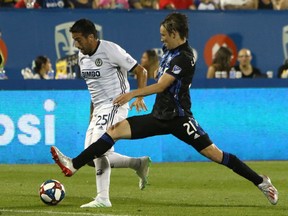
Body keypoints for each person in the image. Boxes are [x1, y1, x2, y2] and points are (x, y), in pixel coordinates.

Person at [51, 12, 278, 206]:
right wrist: (140, 91)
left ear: (175, 33)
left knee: (215, 154)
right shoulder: (168, 51)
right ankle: (74, 164)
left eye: (163, 35)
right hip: (159, 116)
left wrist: (133, 94)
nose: (161, 39)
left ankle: (261, 181)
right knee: (114, 131)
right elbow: (151, 74)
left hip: (179, 119)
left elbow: (161, 85)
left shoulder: (185, 58)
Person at [52, 19, 151, 208]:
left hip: (116, 103)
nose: (76, 45)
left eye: (79, 40)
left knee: (96, 150)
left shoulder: (111, 50)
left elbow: (142, 71)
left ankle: (102, 198)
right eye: (74, 40)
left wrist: (139, 97)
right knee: (93, 156)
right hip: (99, 108)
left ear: (91, 37)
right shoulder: (82, 57)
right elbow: (94, 89)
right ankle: (138, 164)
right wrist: (92, 113)